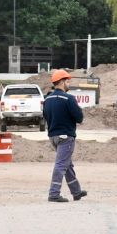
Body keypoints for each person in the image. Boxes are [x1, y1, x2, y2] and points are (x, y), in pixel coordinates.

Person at [43, 69, 86, 203]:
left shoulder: (47, 99)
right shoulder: (69, 98)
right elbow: (79, 118)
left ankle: (76, 191)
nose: (69, 84)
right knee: (61, 165)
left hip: (53, 137)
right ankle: (54, 194)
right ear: (62, 82)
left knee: (67, 164)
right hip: (66, 137)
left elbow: (45, 116)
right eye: (67, 81)